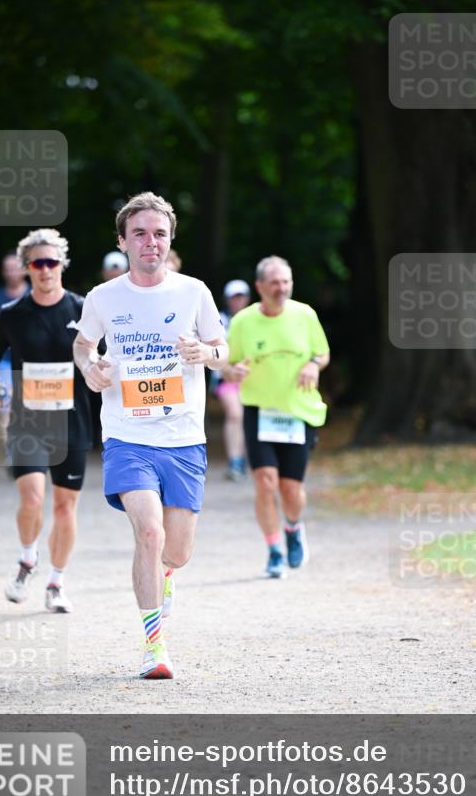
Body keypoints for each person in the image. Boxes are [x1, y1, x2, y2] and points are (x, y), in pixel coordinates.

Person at [73, 192, 227, 680]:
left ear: (170, 239)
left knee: (176, 552)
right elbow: (82, 345)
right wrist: (91, 369)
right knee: (149, 530)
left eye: (159, 233)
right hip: (127, 435)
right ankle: (154, 647)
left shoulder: (194, 292)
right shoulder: (103, 298)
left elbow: (224, 349)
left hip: (183, 437)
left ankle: (163, 576)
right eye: (139, 233)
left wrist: (204, 352)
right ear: (123, 241)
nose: (150, 242)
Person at [0, 229, 93, 614]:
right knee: (32, 498)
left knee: (64, 507)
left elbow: (101, 355)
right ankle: (28, 558)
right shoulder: (13, 315)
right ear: (26, 268)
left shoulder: (81, 309)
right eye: (36, 263)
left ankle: (57, 582)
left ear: (62, 264)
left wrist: (100, 369)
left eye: (51, 262)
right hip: (27, 422)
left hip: (72, 421)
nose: (45, 270)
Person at [225, 256, 330, 579]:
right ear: (260, 287)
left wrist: (313, 364)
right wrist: (233, 370)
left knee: (290, 489)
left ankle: (293, 528)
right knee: (265, 482)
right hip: (259, 409)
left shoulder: (305, 315)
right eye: (274, 282)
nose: (281, 288)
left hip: (297, 411)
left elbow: (322, 353)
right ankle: (273, 550)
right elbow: (226, 364)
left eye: (286, 281)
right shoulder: (242, 322)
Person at [0, 253, 30, 420]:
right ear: (3, 272)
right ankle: (9, 439)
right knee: (5, 400)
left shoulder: (35, 294)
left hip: (32, 359)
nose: (11, 273)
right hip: (4, 359)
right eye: (7, 269)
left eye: (14, 269)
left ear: (24, 270)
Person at [212, 279, 251, 480]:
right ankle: (235, 460)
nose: (238, 301)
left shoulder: (255, 319)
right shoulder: (219, 320)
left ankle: (240, 459)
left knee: (245, 416)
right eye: (234, 297)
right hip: (225, 377)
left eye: (241, 296)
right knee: (235, 414)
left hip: (250, 377)